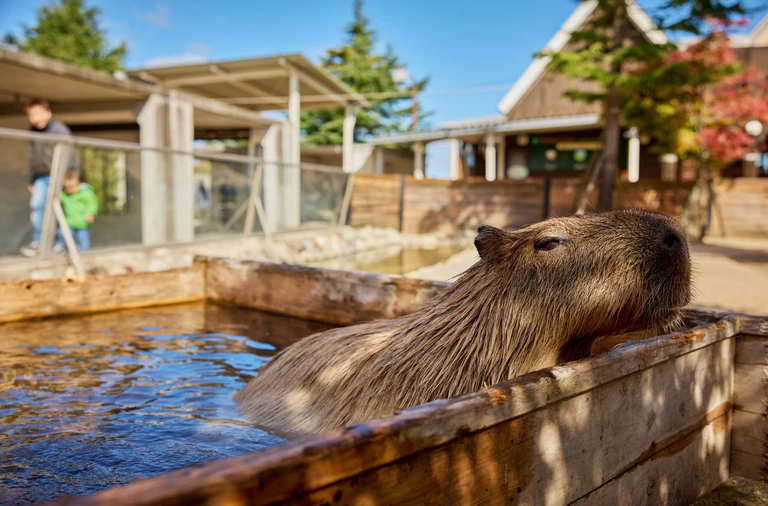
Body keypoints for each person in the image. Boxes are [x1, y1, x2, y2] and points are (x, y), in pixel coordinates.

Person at [20, 98, 74, 257]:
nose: (35, 118)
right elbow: (33, 157)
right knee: (37, 207)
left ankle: (61, 244)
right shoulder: (32, 131)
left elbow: (70, 154)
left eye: (38, 113)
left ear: (48, 112)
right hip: (40, 177)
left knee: (59, 210)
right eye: (31, 114)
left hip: (60, 176)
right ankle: (39, 243)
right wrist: (32, 179)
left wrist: (69, 176)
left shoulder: (59, 130)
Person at [55, 169, 98, 253]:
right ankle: (64, 247)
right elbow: (60, 200)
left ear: (78, 183)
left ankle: (84, 253)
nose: (69, 189)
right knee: (63, 234)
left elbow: (92, 204)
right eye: (67, 187)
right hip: (69, 222)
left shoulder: (85, 193)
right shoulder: (65, 195)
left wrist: (90, 213)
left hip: (82, 222)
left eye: (72, 187)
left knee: (83, 240)